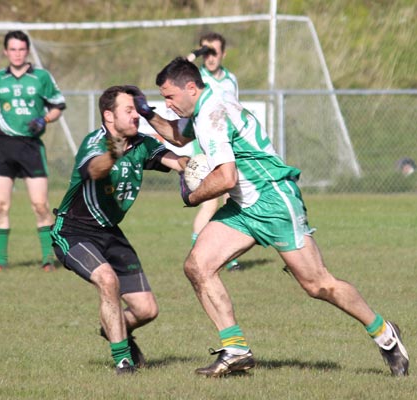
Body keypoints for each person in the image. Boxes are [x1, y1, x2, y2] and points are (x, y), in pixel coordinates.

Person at [132, 57, 409, 377]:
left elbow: (226, 178)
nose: (167, 104)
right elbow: (179, 137)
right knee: (198, 266)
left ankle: (385, 335)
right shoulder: (208, 106)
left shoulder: (212, 115)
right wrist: (146, 112)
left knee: (318, 284)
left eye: (169, 97)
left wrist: (191, 196)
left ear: (190, 88)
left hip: (274, 200)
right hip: (245, 206)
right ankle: (235, 350)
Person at [50, 85, 188, 375]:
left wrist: (194, 167)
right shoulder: (96, 142)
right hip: (73, 231)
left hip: (110, 232)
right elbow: (97, 170)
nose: (136, 114)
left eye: (136, 108)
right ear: (109, 116)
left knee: (146, 310)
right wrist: (114, 152)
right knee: (107, 280)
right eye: (129, 110)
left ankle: (112, 328)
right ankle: (123, 361)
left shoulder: (141, 144)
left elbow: (176, 161)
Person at [0, 30, 66, 272]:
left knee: (40, 205)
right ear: (6, 51)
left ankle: (48, 258)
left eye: (21, 49)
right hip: (3, 147)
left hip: (31, 147)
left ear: (27, 51)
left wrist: (45, 119)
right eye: (12, 49)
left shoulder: (41, 77)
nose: (17, 53)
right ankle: (0, 261)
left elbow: (57, 106)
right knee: (0, 205)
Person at [186, 32, 242, 272]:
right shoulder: (196, 76)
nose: (209, 58)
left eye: (214, 52)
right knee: (210, 203)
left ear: (223, 54)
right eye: (205, 52)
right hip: (206, 145)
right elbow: (178, 72)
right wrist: (193, 55)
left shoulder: (231, 80)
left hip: (227, 143)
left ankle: (229, 255)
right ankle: (199, 250)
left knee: (232, 198)